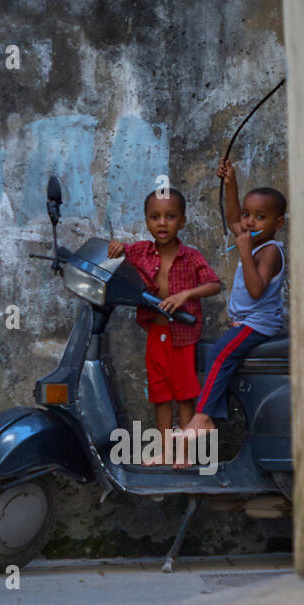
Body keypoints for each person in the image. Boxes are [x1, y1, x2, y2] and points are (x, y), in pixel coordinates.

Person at [178, 160, 286, 455]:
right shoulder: (251, 240)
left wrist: (244, 253)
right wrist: (231, 184)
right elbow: (232, 219)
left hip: (260, 323)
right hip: (247, 321)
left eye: (260, 217)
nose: (249, 222)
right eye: (248, 215)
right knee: (220, 356)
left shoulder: (269, 252)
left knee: (219, 352)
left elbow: (256, 288)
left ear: (278, 224)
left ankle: (202, 417)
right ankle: (210, 416)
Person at [108, 189, 221, 464]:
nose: (162, 223)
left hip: (182, 337)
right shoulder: (141, 252)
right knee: (160, 395)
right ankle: (165, 450)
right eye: (155, 217)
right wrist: (117, 247)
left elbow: (215, 284)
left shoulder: (191, 257)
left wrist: (186, 295)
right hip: (155, 333)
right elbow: (119, 253)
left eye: (170, 217)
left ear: (182, 222)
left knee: (183, 396)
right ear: (146, 221)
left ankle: (185, 453)